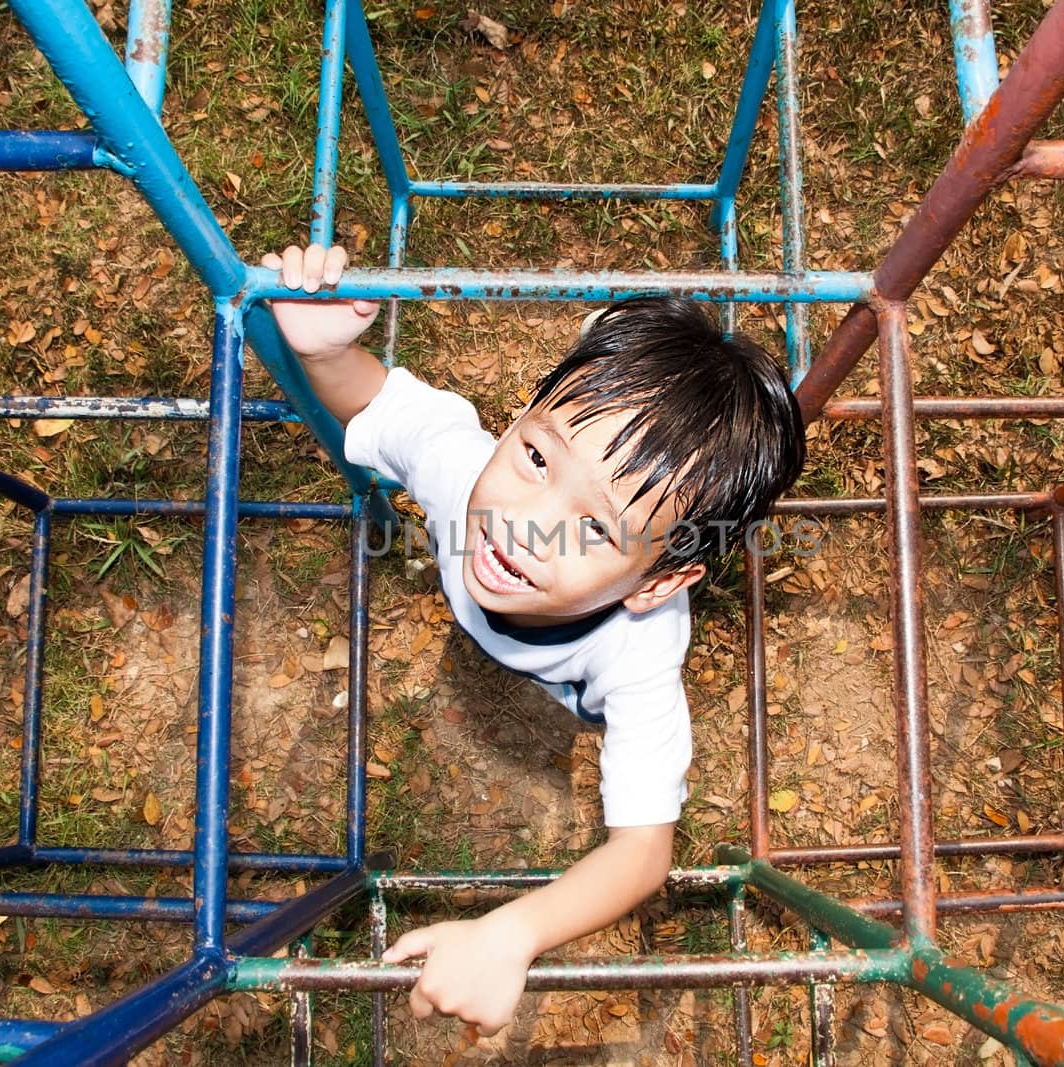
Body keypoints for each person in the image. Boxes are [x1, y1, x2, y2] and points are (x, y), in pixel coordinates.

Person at [263, 243, 805, 1035]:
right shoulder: (459, 466)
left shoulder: (641, 650)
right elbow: (373, 402)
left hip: (576, 675)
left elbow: (643, 851)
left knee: (584, 701)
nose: (525, 523)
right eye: (537, 454)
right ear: (516, 419)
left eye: (595, 525)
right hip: (519, 632)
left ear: (657, 582)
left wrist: (512, 932)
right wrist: (329, 351)